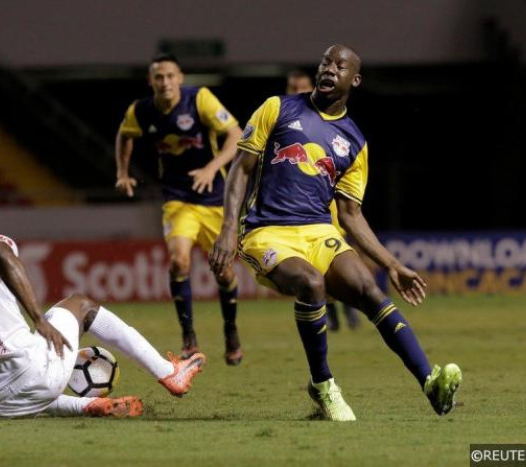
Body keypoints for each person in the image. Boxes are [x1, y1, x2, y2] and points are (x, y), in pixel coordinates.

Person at [210, 45, 462, 421]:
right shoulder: (277, 108)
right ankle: (324, 387)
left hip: (319, 231)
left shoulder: (355, 142)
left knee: (370, 291)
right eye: (326, 62)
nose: (329, 69)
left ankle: (431, 384)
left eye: (339, 66)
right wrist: (229, 228)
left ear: (354, 80)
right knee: (311, 284)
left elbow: (350, 214)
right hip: (267, 232)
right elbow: (241, 170)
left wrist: (392, 264)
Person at [0, 206, 207, 421]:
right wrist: (39, 319)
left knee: (25, 390)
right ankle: (169, 373)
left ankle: (88, 406)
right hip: (36, 374)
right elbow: (3, 254)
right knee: (82, 304)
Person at [115, 53, 244, 365]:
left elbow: (236, 135)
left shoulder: (200, 99)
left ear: (180, 78)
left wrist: (212, 167)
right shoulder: (142, 110)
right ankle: (188, 337)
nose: (165, 82)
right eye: (159, 77)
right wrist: (122, 171)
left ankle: (231, 329)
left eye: (170, 76)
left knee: (224, 272)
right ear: (151, 81)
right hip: (177, 198)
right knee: (178, 261)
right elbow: (124, 135)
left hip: (215, 199)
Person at [285, 67, 361, 332]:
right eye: (292, 89)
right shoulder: (283, 121)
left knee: (336, 258)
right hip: (296, 209)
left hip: (325, 204)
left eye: (301, 88)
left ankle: (351, 310)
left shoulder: (331, 123)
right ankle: (332, 316)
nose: (297, 93)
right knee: (314, 264)